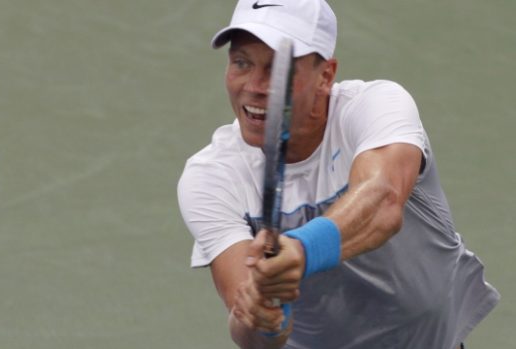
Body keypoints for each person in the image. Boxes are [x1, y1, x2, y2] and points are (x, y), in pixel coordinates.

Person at [177, 0, 500, 348]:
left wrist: (302, 250)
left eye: (277, 70)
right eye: (242, 63)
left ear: (326, 76)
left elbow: (383, 201)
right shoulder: (210, 177)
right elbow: (251, 336)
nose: (254, 85)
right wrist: (264, 313)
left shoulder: (375, 107)